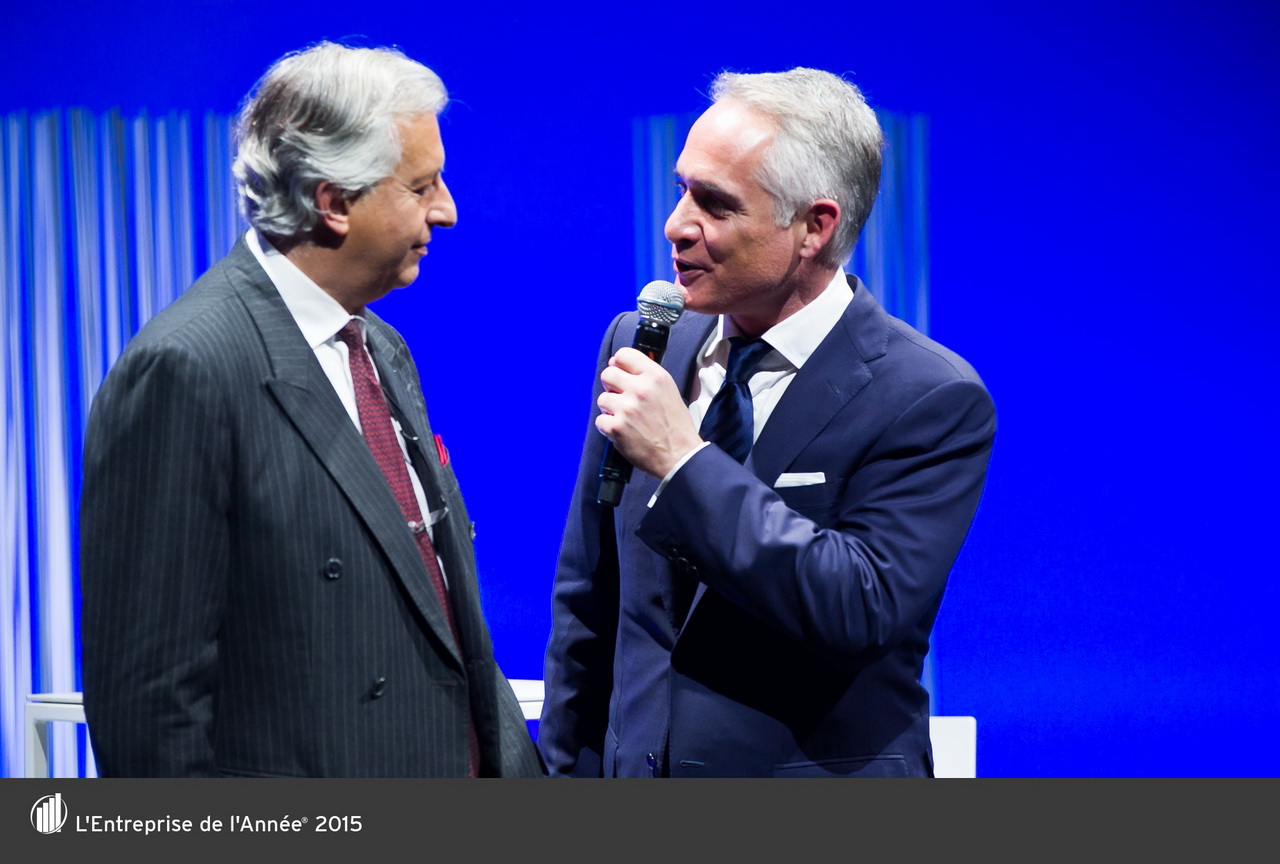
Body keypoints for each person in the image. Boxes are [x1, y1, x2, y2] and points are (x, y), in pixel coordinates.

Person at [79, 42, 543, 778]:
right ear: (333, 202)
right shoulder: (186, 370)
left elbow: (445, 620)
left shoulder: (380, 347)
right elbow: (149, 708)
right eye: (421, 186)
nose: (448, 210)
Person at [539, 67, 996, 777]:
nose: (676, 225)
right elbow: (590, 600)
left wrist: (684, 462)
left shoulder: (930, 396)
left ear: (815, 227)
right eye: (681, 189)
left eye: (716, 204)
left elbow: (860, 608)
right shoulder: (646, 343)